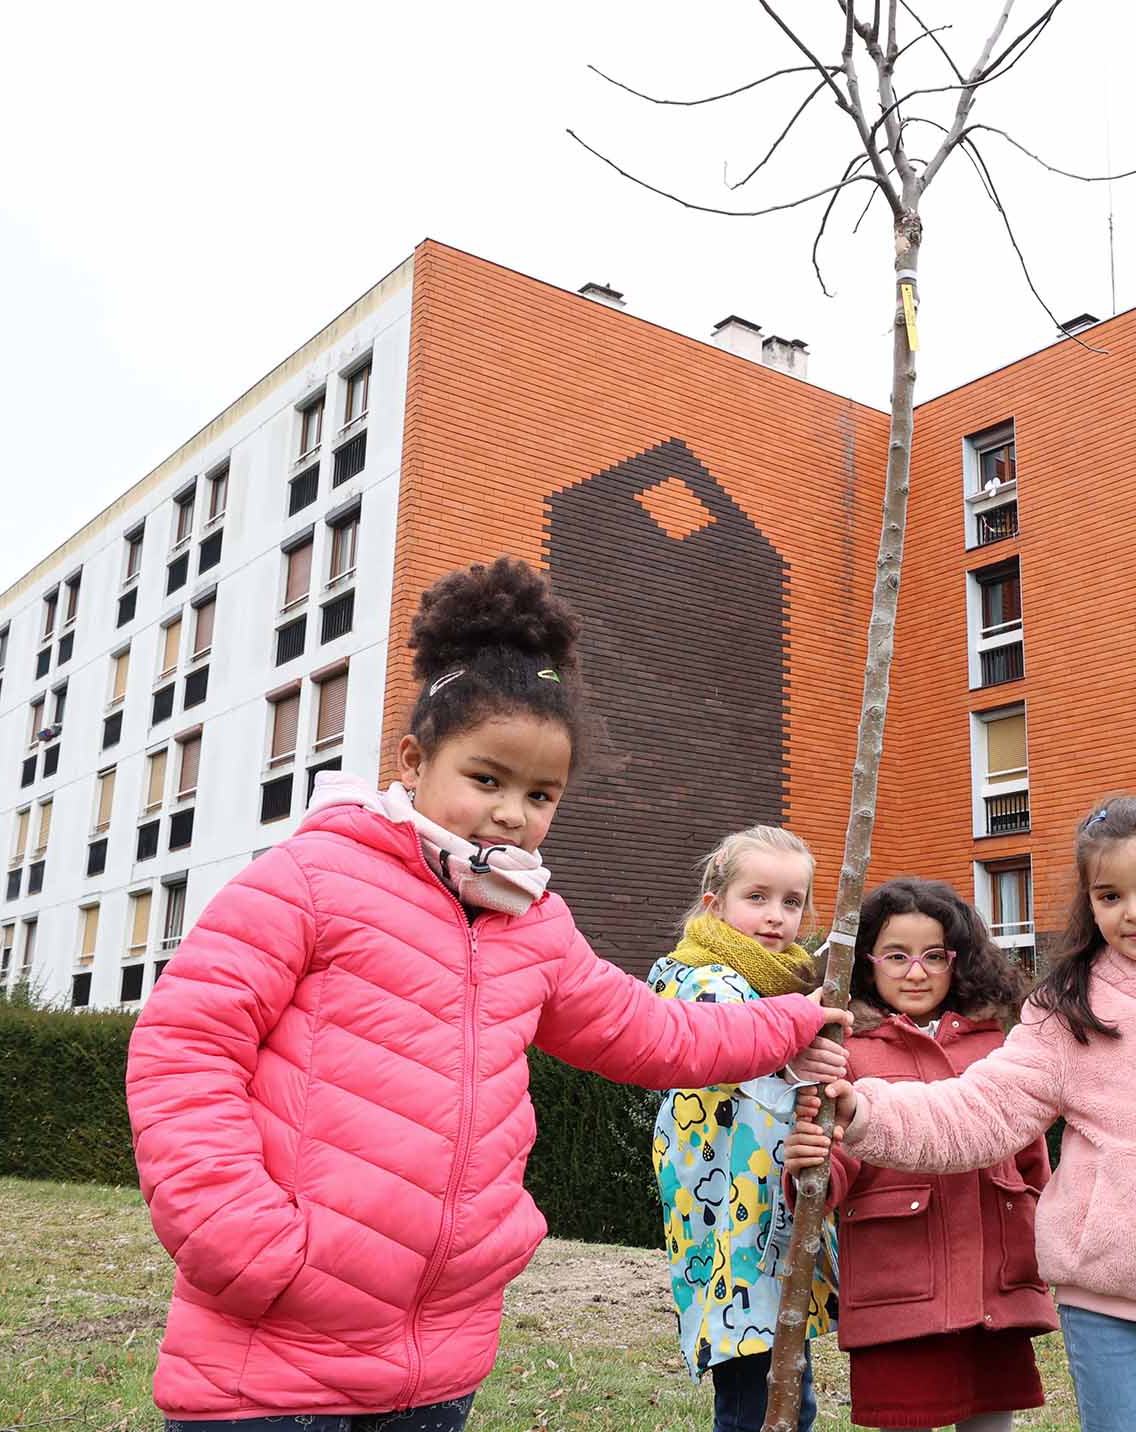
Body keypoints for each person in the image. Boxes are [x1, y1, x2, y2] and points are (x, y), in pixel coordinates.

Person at [126, 558, 849, 1431]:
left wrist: (797, 1018)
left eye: (542, 794)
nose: (514, 812)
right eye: (487, 780)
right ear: (413, 760)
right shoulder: (311, 878)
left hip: (439, 1353)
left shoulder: (533, 924)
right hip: (270, 1356)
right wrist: (238, 1238)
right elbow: (185, 1049)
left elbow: (655, 1035)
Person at [803, 796, 1136, 1432]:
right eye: (1110, 896)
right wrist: (865, 1109)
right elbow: (982, 1111)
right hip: (1106, 1304)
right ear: (1091, 905)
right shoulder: (1068, 1009)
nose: (1134, 911)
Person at [781, 878, 1050, 1432]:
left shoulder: (997, 1043)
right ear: (867, 962)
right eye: (897, 956)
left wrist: (1043, 1232)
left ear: (960, 961)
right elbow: (830, 1160)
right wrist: (810, 1170)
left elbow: (1029, 1160)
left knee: (991, 1420)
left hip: (992, 1277)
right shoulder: (844, 1051)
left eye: (934, 956)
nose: (916, 972)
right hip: (898, 1282)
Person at [651, 825, 837, 1432]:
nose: (776, 916)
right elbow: (727, 1044)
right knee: (755, 1395)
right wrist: (793, 1052)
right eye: (757, 897)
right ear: (716, 904)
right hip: (727, 1218)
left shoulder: (780, 982)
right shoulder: (697, 977)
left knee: (788, 1385)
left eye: (792, 901)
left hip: (765, 1215)